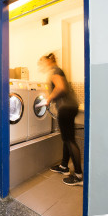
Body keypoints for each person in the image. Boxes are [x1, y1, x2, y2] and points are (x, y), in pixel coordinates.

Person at [38, 53, 83, 186]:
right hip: (70, 106)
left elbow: (61, 88)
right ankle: (64, 166)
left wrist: (48, 99)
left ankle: (79, 176)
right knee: (67, 138)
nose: (41, 65)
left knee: (69, 140)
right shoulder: (58, 71)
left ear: (48, 61)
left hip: (66, 108)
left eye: (42, 62)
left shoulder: (55, 71)